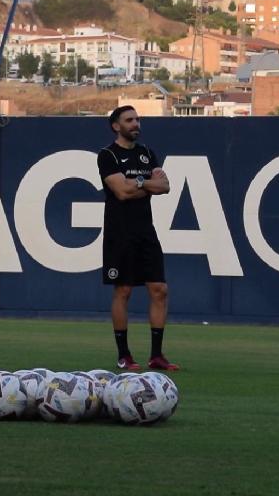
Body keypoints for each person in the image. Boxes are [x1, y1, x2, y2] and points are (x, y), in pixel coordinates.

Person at [97, 105, 179, 371]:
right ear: (115, 126)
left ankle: (156, 356)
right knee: (124, 290)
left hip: (146, 231)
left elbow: (164, 187)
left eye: (138, 119)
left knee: (160, 290)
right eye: (129, 120)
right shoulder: (107, 155)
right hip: (119, 233)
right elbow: (121, 192)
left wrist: (138, 183)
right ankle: (124, 355)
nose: (136, 124)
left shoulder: (147, 153)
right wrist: (145, 184)